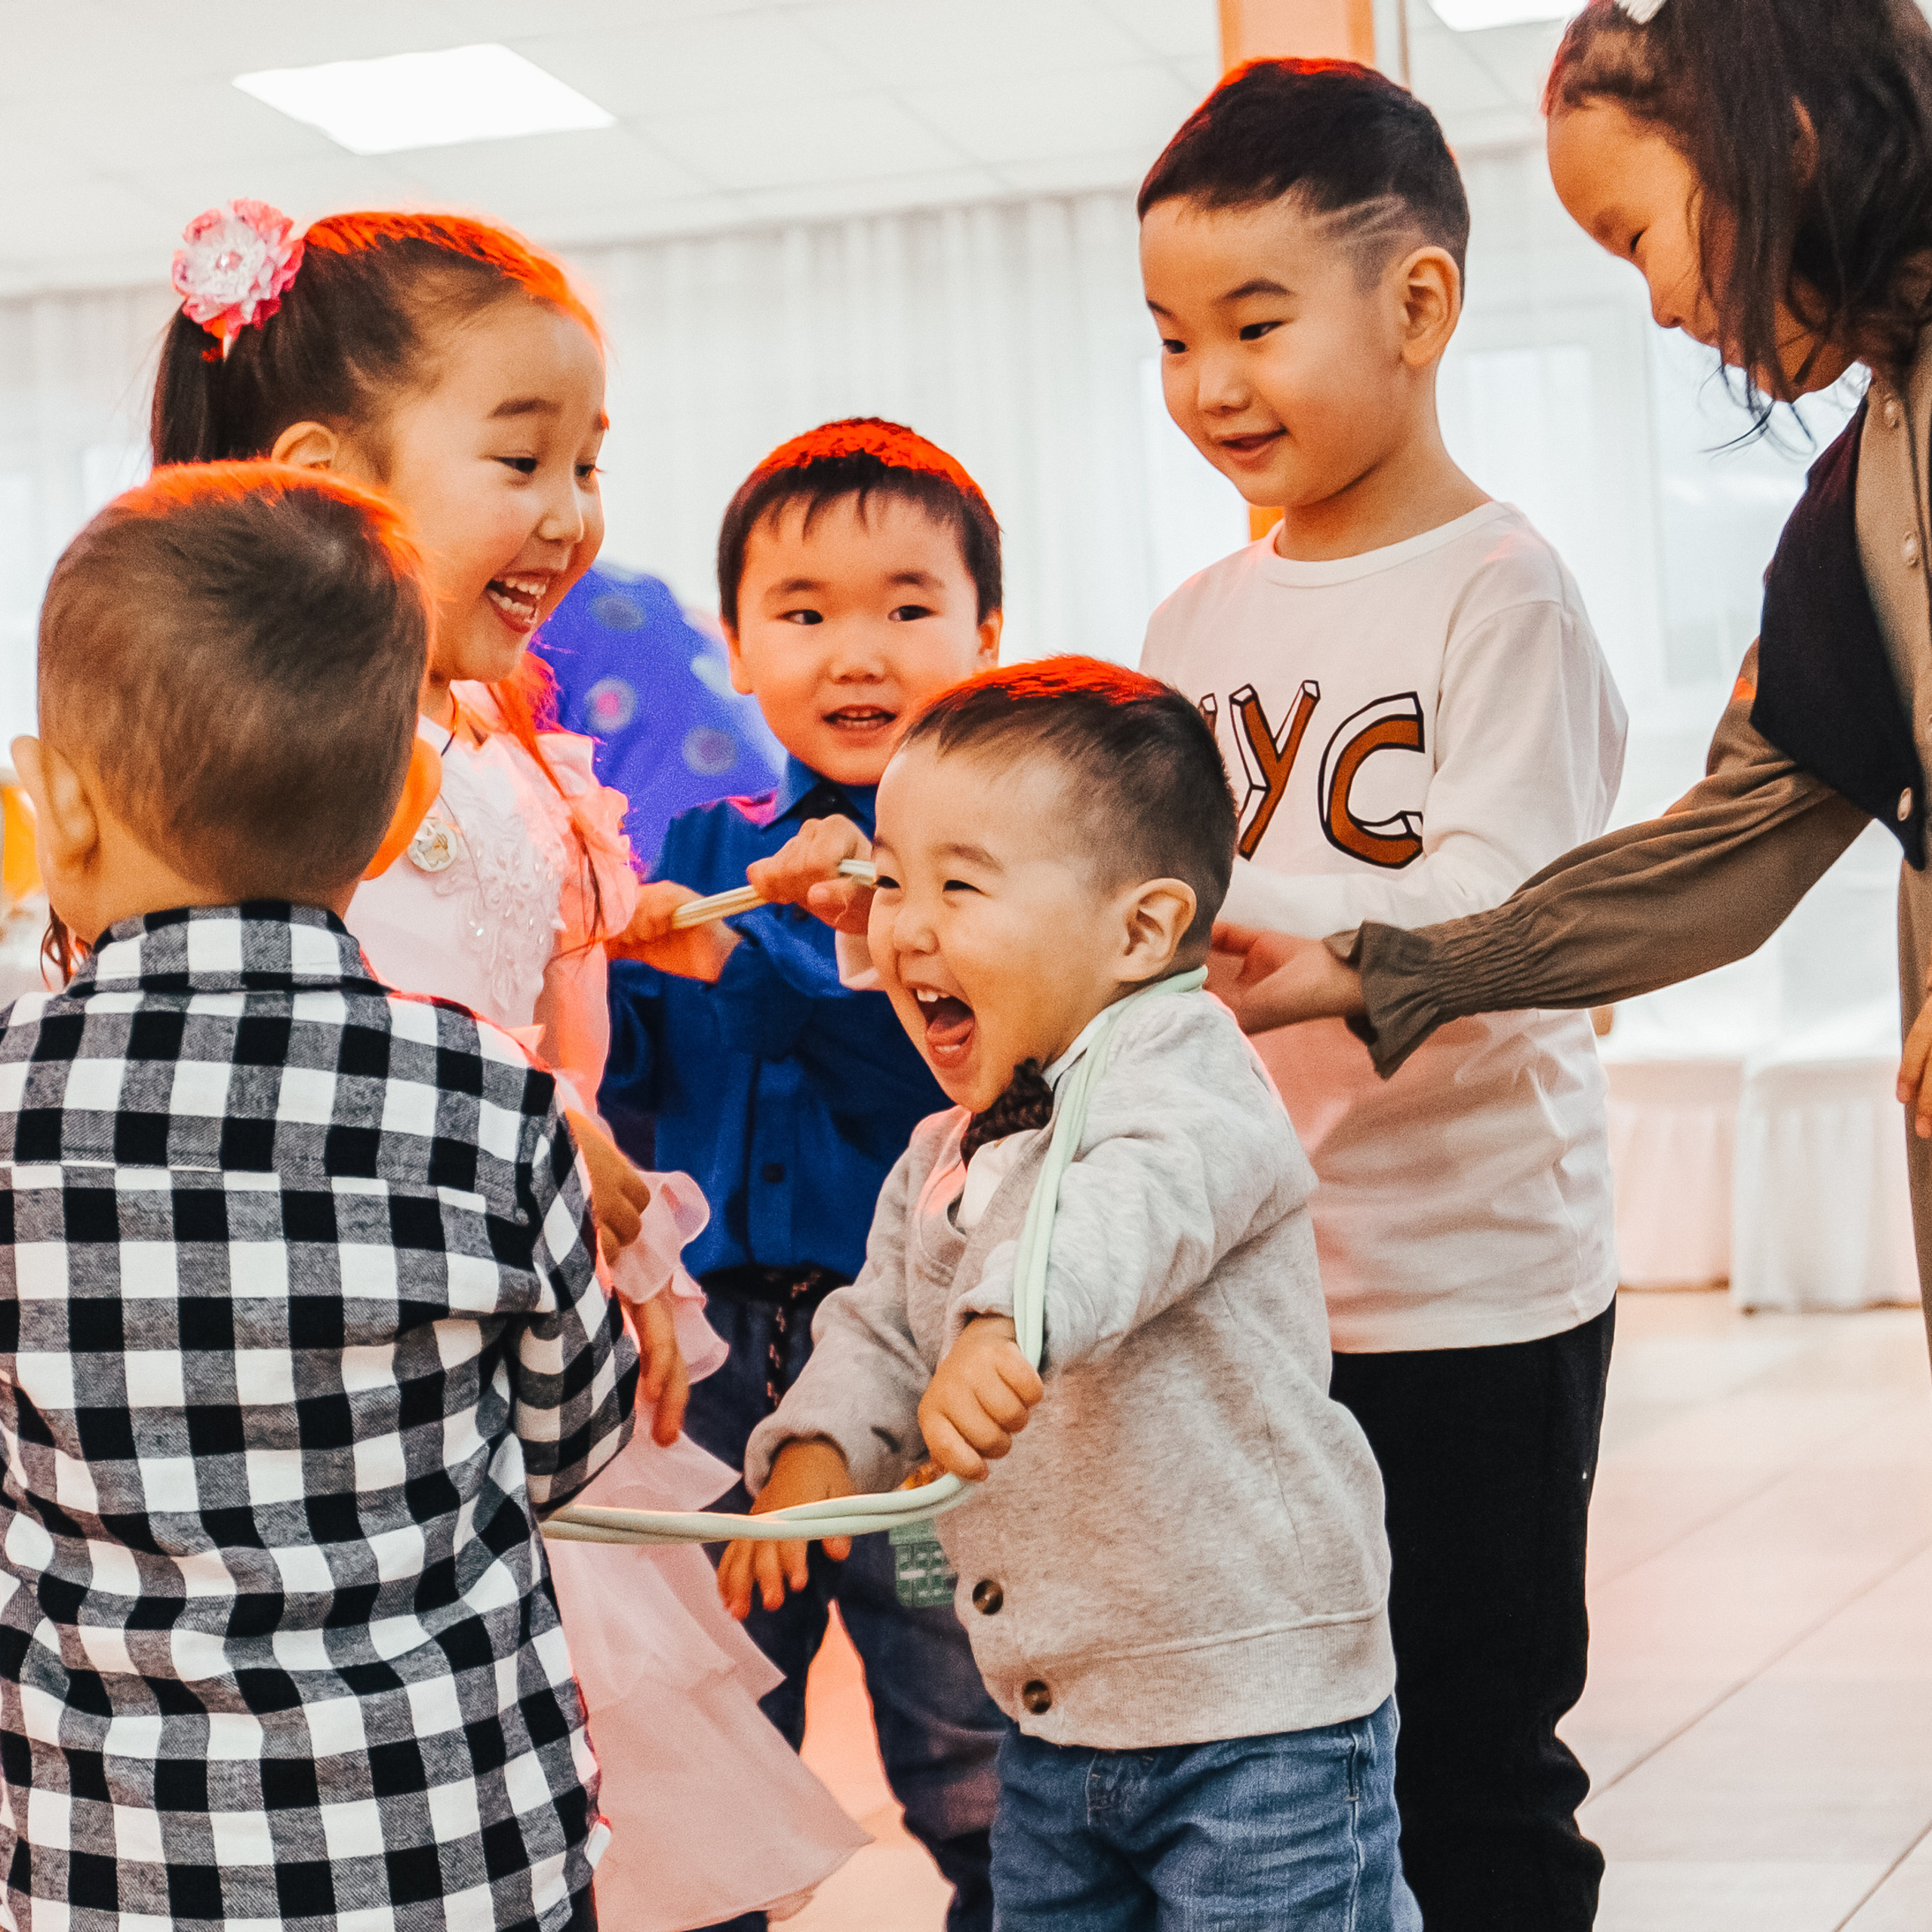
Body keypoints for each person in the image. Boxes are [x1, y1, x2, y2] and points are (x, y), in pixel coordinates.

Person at [149, 203, 863, 1932]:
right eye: (523, 459)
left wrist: (679, 912)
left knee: (614, 1803)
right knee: (514, 1771)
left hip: (557, 1339)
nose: (571, 516)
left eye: (589, 463)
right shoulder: (323, 778)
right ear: (329, 480)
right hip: (435, 1371)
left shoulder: (478, 728)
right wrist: (546, 1117)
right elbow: (337, 1040)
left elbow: (524, 929)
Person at [1217, 0, 1932, 1364]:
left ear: (1776, 140)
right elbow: (1720, 857)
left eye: (1640, 237)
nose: (1661, 307)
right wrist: (1381, 967)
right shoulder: (1846, 513)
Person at [0, 461, 636, 1932]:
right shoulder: (488, 1098)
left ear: (58, 808)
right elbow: (571, 1434)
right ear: (407, 794)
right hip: (455, 1843)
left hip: (123, 1866)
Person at [1134, 59, 1630, 1932]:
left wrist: (1285, 966)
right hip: (1256, 1284)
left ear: (1414, 307)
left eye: (1253, 325)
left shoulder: (1499, 590)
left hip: (1472, 1291)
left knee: (1472, 1752)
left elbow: (1513, 925)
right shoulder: (1191, 622)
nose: (1207, 386)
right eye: (1172, 339)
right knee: (1292, 1738)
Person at [718, 660, 1415, 1932]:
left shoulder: (1188, 1078)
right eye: (891, 881)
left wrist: (1006, 1322)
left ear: (1141, 931)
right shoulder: (948, 1149)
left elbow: (1129, 1211)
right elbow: (877, 1322)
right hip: (1053, 1713)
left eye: (959, 887)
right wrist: (818, 1442)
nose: (902, 928)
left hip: (1254, 1714)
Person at [601, 418, 1008, 1932]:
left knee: (962, 1726)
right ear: (735, 642)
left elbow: (922, 1070)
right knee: (712, 1727)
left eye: (907, 605)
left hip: (901, 1376)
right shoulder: (701, 840)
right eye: (803, 609)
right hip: (714, 1372)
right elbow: (639, 1093)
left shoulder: (986, 864)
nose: (857, 649)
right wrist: (629, 981)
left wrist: (771, 946)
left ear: (984, 634)